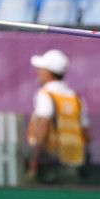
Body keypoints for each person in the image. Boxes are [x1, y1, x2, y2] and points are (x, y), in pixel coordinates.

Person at [25, 49, 91, 185]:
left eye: (41, 68)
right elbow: (86, 135)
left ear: (48, 72)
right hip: (73, 165)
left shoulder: (46, 94)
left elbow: (42, 128)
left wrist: (33, 163)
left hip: (49, 166)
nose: (38, 71)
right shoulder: (75, 98)